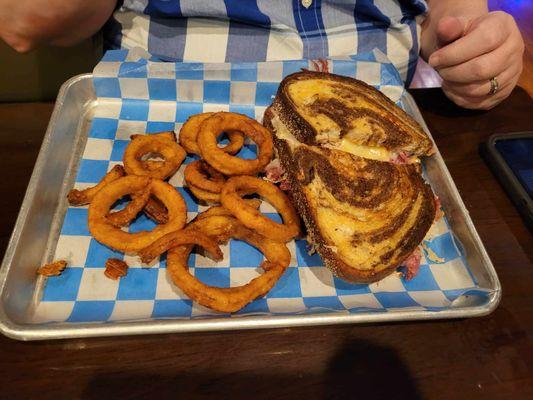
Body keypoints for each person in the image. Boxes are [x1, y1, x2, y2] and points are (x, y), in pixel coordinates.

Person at [0, 0, 524, 110]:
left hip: (377, 117)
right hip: (157, 111)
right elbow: (25, 21)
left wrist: (483, 53)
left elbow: (444, 20)